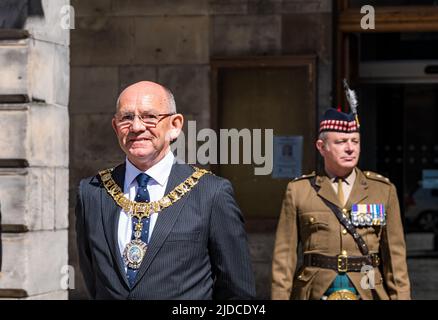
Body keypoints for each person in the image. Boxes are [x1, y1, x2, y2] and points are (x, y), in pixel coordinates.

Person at [75, 81, 256, 299]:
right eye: (126, 118)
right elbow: (93, 279)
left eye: (149, 116)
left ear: (175, 125)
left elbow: (238, 292)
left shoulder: (210, 193)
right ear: (115, 127)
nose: (137, 127)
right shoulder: (93, 192)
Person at [271, 108, 411, 300]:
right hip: (315, 291)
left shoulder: (382, 190)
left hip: (367, 288)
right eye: (341, 142)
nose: (350, 148)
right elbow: (284, 258)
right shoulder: (299, 190)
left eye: (355, 141)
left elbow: (395, 260)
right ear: (321, 147)